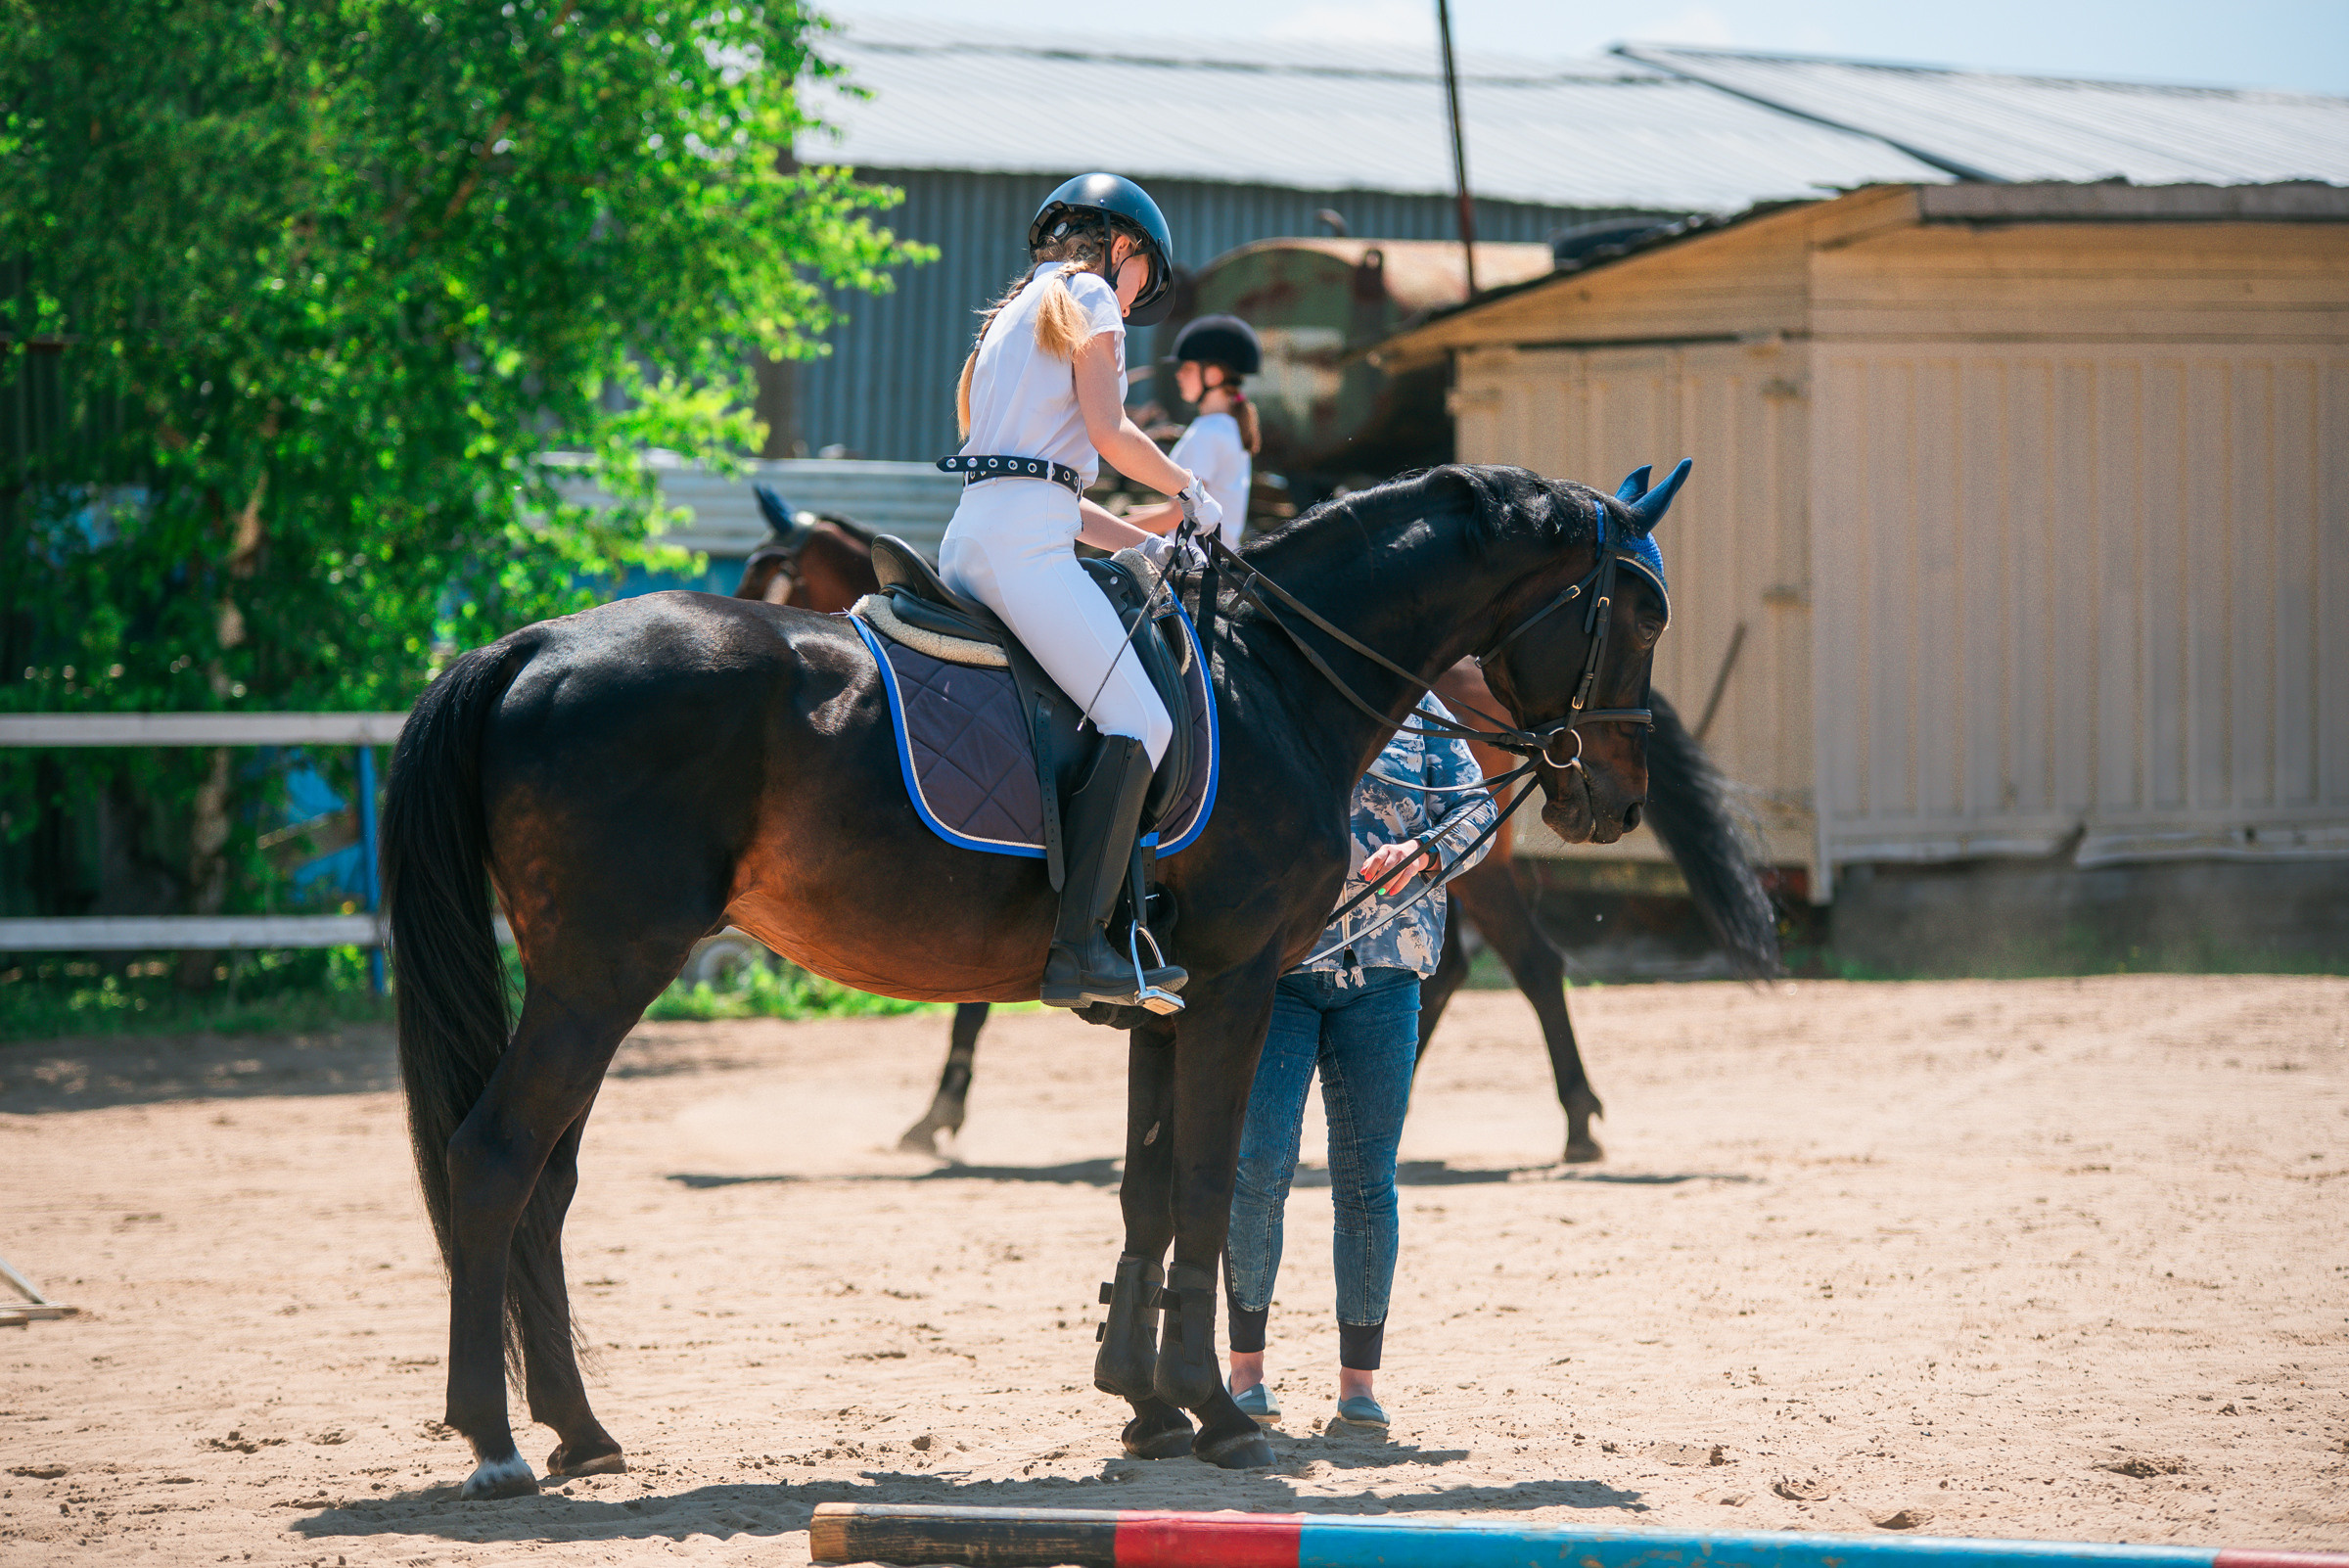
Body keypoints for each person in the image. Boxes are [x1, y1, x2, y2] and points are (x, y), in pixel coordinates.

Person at [939, 173, 1222, 1011]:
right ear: (1122, 246)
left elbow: (1048, 488)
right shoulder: (1090, 294)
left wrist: (1151, 543)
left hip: (976, 539)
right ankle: (1081, 950)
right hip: (1025, 550)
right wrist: (1190, 490)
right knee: (1145, 719)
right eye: (1144, 279)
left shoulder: (1010, 315)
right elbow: (1110, 434)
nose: (1135, 300)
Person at [1224, 693, 1497, 1434]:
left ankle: (1358, 1387)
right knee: (1257, 1166)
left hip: (1388, 973)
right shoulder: (1276, 689)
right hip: (1280, 967)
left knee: (1368, 1181)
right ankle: (1244, 1371)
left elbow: (1480, 813)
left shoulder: (1427, 713)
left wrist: (1427, 852)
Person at [1122, 313, 1260, 550]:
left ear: (1214, 375)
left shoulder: (1208, 433)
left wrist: (1108, 527)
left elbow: (1178, 514)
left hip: (1194, 568)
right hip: (1211, 564)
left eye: (1187, 367)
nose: (1179, 374)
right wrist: (1133, 514)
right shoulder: (1225, 427)